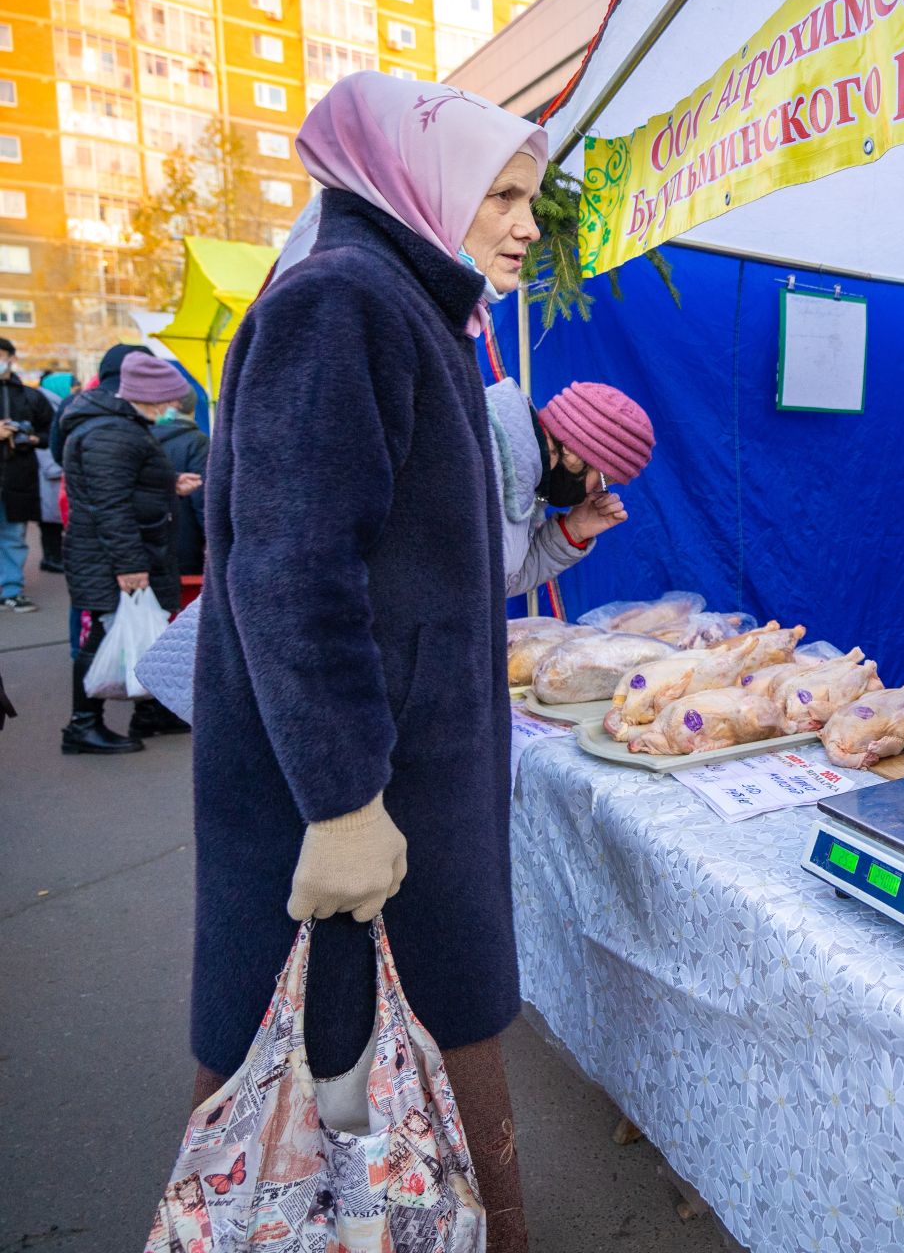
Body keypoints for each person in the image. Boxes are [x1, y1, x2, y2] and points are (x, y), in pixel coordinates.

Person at [189, 71, 546, 1251]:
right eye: (501, 193)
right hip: (356, 807)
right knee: (322, 1118)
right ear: (421, 185)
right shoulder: (343, 303)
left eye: (527, 195)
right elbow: (291, 568)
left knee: (398, 1109)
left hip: (404, 794)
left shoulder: (407, 305)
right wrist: (344, 799)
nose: (526, 222)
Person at [55, 352, 201, 751]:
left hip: (121, 552)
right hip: (112, 557)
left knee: (140, 633)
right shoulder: (111, 432)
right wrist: (129, 566)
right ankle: (82, 726)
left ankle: (149, 714)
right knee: (104, 634)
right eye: (170, 400)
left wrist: (168, 483)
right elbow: (110, 504)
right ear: (150, 396)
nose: (174, 408)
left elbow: (120, 484)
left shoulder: (117, 427)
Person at [484, 377, 648, 598]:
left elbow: (495, 582)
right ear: (576, 452)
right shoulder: (480, 451)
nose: (592, 495)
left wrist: (572, 531)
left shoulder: (523, 478)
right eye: (604, 481)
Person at [0, 336, 55, 612]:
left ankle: (11, 589)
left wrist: (31, 438)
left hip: (17, 476)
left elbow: (50, 433)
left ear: (11, 357)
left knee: (13, 535)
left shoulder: (30, 396)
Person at [152, 385, 210, 577]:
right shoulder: (197, 441)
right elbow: (202, 497)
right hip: (186, 540)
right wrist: (211, 538)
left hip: (149, 538)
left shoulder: (142, 436)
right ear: (192, 409)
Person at [34, 370, 74, 574]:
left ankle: (52, 558)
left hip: (50, 473)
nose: (75, 389)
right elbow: (49, 445)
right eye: (72, 385)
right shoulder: (49, 408)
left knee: (51, 521)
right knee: (50, 522)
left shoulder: (54, 405)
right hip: (48, 474)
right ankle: (51, 558)